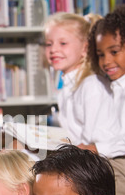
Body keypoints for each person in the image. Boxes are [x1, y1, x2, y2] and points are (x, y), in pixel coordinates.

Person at [78, 3, 125, 195]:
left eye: (114, 52)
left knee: (77, 187)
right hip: (116, 159)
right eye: (100, 55)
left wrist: (98, 148)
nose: (106, 61)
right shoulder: (111, 85)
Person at [43, 12, 110, 145]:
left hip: (93, 160)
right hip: (77, 156)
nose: (53, 49)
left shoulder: (92, 86)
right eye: (49, 44)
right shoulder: (66, 89)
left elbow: (93, 142)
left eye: (63, 43)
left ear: (85, 48)